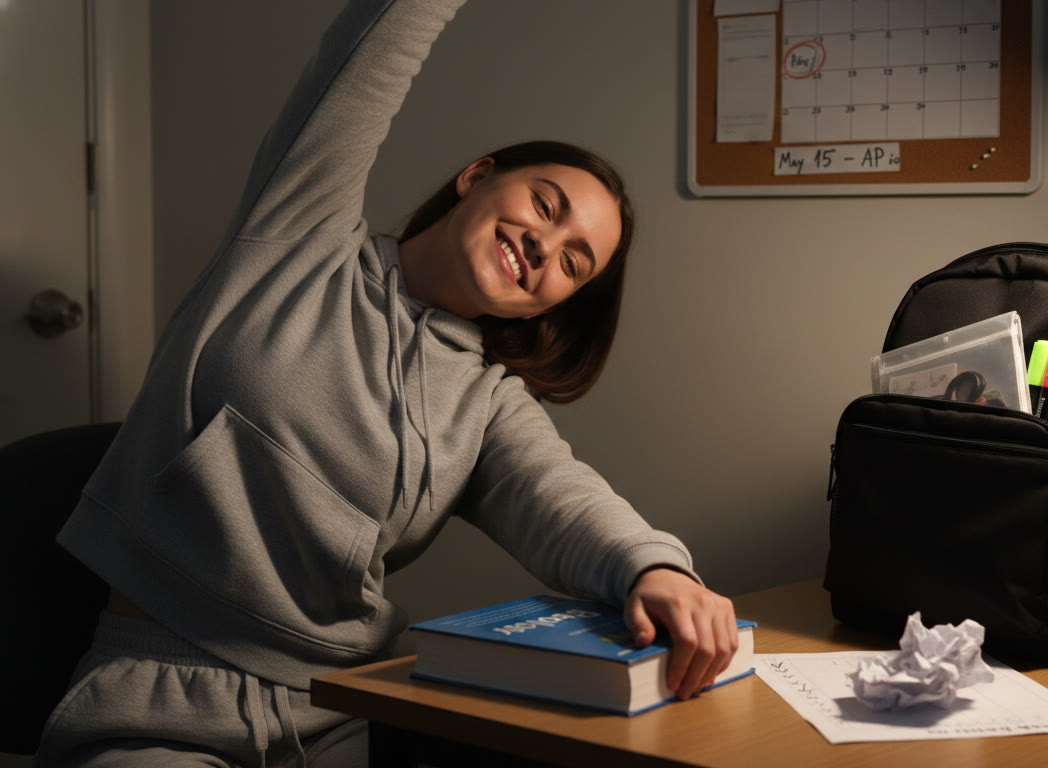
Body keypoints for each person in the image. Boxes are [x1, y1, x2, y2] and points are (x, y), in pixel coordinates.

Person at [37, 1, 737, 765]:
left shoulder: (488, 401)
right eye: (545, 205)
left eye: (574, 262)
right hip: (158, 699)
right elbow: (367, 56)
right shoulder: (295, 237)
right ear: (477, 177)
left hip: (348, 708)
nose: (545, 245)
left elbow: (560, 500)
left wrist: (656, 565)